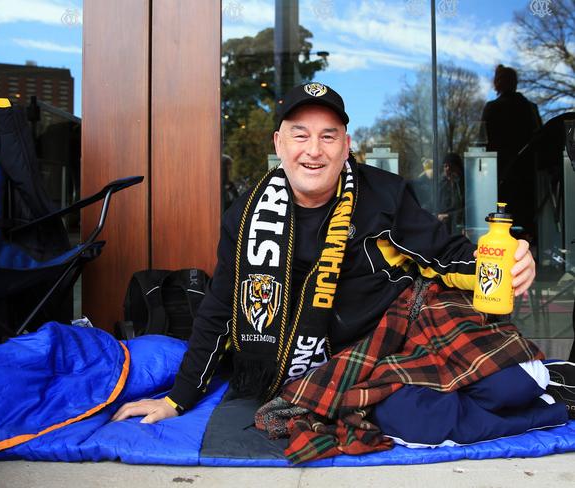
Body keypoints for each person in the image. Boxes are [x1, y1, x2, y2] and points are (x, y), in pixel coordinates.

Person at [112, 82, 540, 425]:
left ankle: (510, 392)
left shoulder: (384, 195)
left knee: (514, 386)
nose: (313, 151)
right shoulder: (244, 217)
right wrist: (178, 399)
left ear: (346, 145)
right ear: (280, 144)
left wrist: (508, 262)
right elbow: (221, 306)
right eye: (300, 135)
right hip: (329, 365)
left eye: (327, 136)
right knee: (415, 418)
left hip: (402, 330)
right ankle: (406, 401)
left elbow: (448, 255)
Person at [481, 64, 542, 242]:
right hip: (527, 176)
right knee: (525, 222)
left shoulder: (493, 107)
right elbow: (538, 139)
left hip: (501, 175)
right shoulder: (529, 107)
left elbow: (483, 142)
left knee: (504, 222)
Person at [437, 152, 465, 235]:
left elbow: (468, 208)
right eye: (445, 166)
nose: (447, 169)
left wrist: (449, 215)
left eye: (451, 166)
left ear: (457, 168)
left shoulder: (464, 184)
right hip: (442, 227)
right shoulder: (441, 184)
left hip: (458, 227)